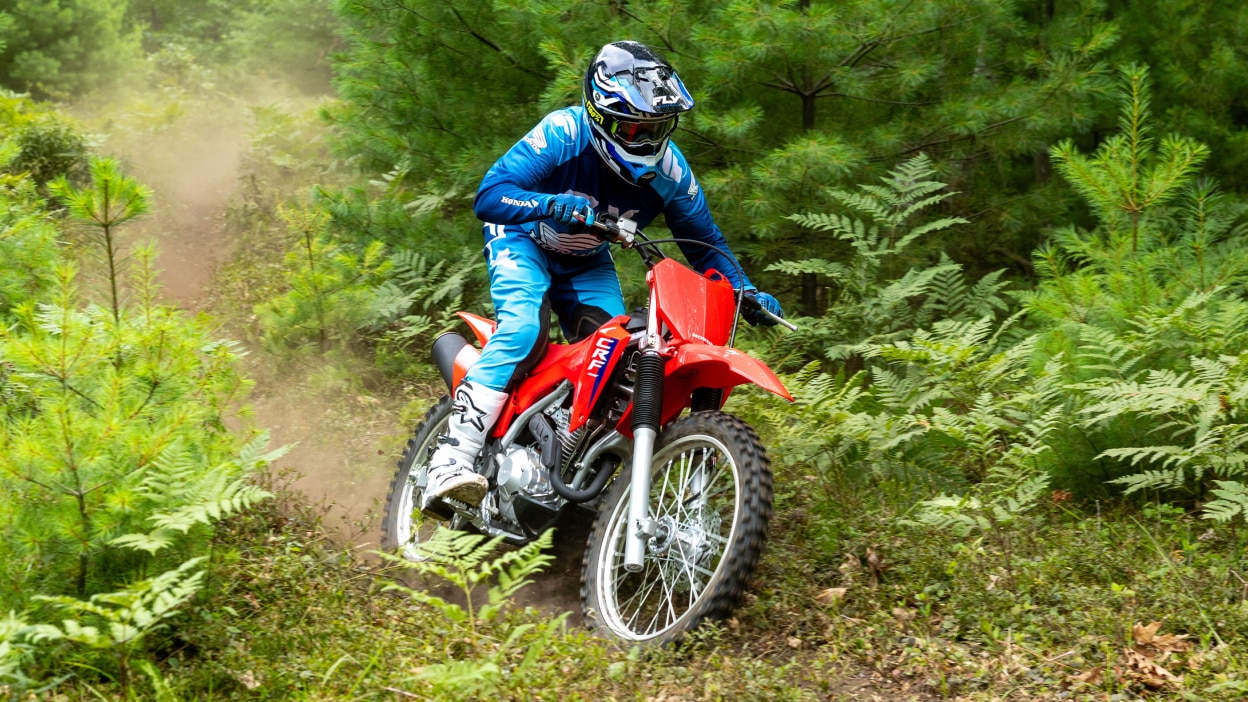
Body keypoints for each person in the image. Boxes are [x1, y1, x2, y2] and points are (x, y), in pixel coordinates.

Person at [421, 40, 784, 515]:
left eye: (658, 127)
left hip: (586, 259)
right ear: (603, 116)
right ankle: (451, 459)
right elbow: (490, 195)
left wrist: (743, 290)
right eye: (635, 127)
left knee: (616, 358)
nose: (647, 139)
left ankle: (565, 464)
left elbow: (704, 242)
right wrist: (549, 204)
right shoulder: (564, 133)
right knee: (524, 329)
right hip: (523, 238)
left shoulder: (672, 172)